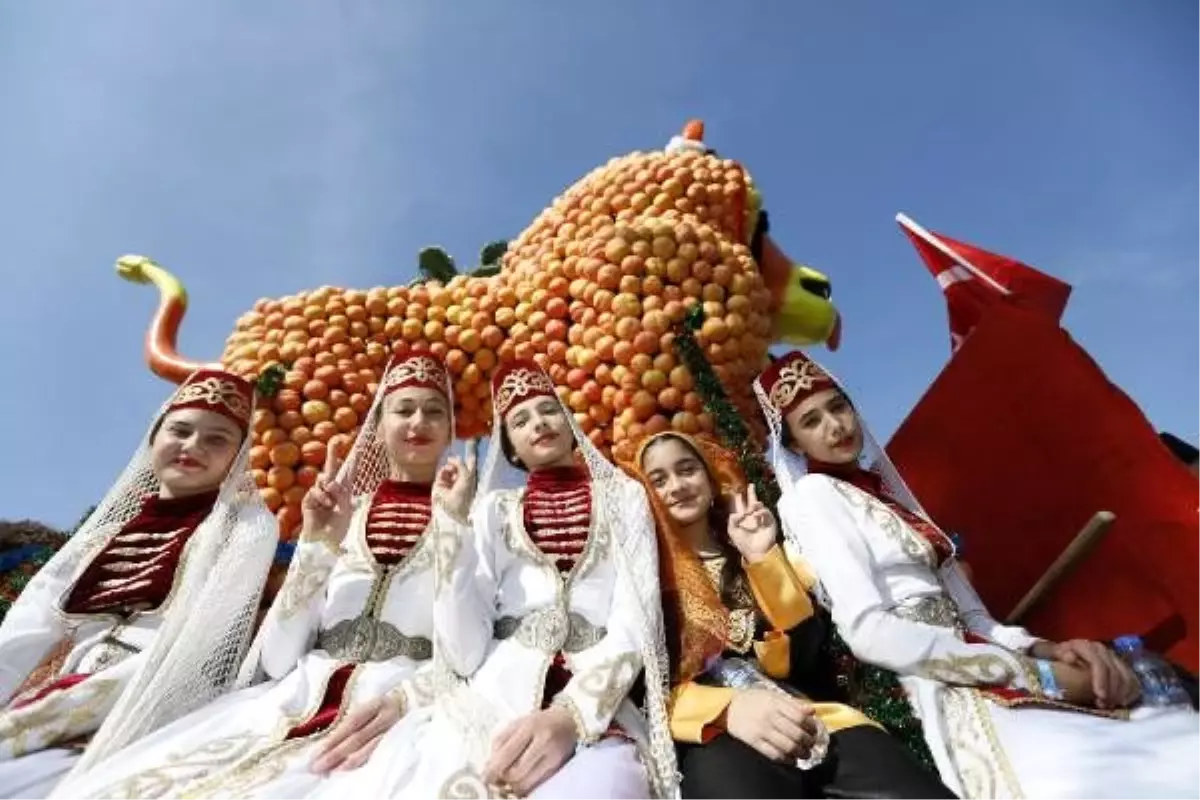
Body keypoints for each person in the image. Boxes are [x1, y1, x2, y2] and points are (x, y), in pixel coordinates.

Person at [754, 350, 1200, 799]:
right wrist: (1027, 673)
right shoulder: (812, 498)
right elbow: (867, 631)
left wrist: (1050, 651)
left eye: (838, 407)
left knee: (1171, 733)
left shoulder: (888, 495)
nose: (836, 426)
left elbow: (978, 621)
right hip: (933, 689)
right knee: (1089, 772)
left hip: (992, 668)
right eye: (811, 421)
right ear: (792, 444)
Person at [64, 353, 474, 798]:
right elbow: (278, 660)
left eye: (435, 411)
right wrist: (318, 545)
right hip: (291, 700)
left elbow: (476, 648)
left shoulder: (479, 516)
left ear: (452, 431)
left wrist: (413, 696)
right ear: (377, 425)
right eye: (404, 409)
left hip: (409, 708)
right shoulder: (344, 516)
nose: (419, 421)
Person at [349, 358, 675, 798]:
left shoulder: (623, 495)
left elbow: (638, 614)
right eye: (520, 420)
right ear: (512, 448)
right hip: (492, 697)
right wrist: (451, 526)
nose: (538, 423)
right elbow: (463, 652)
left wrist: (573, 714)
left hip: (597, 705)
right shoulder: (494, 509)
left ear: (569, 421)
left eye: (548, 410)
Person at [620, 431, 956, 799]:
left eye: (687, 470)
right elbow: (639, 689)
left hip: (807, 714)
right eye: (659, 480)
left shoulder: (746, 553)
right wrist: (727, 708)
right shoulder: (643, 580)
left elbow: (801, 658)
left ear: (710, 478)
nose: (677, 486)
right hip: (712, 732)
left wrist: (762, 558)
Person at [0, 369, 278, 800]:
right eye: (180, 431)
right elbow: (26, 627)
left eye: (217, 439)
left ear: (238, 457)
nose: (193, 446)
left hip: (162, 698)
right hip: (56, 694)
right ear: (153, 438)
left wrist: (79, 702)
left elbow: (203, 637)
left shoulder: (245, 528)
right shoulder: (98, 538)